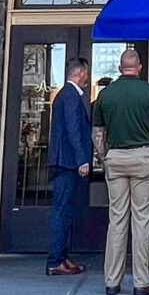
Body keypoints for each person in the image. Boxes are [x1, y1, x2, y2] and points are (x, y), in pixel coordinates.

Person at [90, 46, 149, 295]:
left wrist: (106, 158)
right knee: (141, 221)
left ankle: (112, 281)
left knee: (116, 220)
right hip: (143, 159)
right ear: (138, 68)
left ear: (119, 68)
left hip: (115, 159)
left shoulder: (106, 94)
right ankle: (141, 281)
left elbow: (97, 135)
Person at [45, 57, 92, 275]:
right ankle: (55, 261)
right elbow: (74, 129)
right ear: (80, 72)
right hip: (66, 162)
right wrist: (83, 158)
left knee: (65, 210)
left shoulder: (64, 95)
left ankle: (62, 257)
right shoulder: (71, 96)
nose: (87, 77)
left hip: (63, 160)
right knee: (62, 211)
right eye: (86, 73)